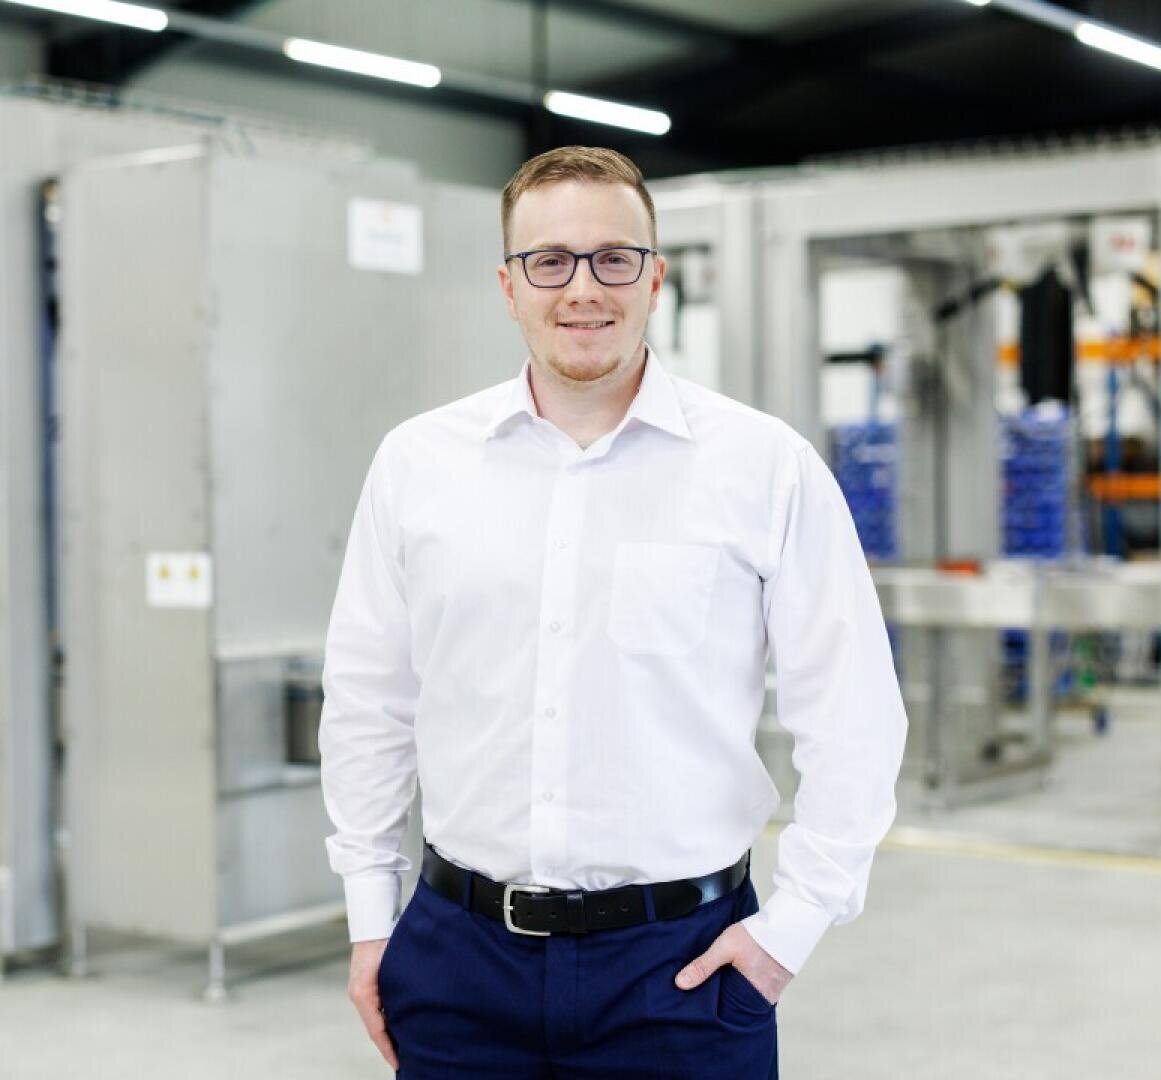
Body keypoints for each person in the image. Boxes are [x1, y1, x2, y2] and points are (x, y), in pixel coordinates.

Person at [318, 145, 907, 1078]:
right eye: (549, 261)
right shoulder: (417, 466)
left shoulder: (762, 468)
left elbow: (853, 711)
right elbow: (368, 699)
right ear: (509, 285)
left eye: (613, 258)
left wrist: (790, 929)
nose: (581, 288)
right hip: (458, 965)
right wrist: (367, 913)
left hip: (681, 975)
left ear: (656, 278)